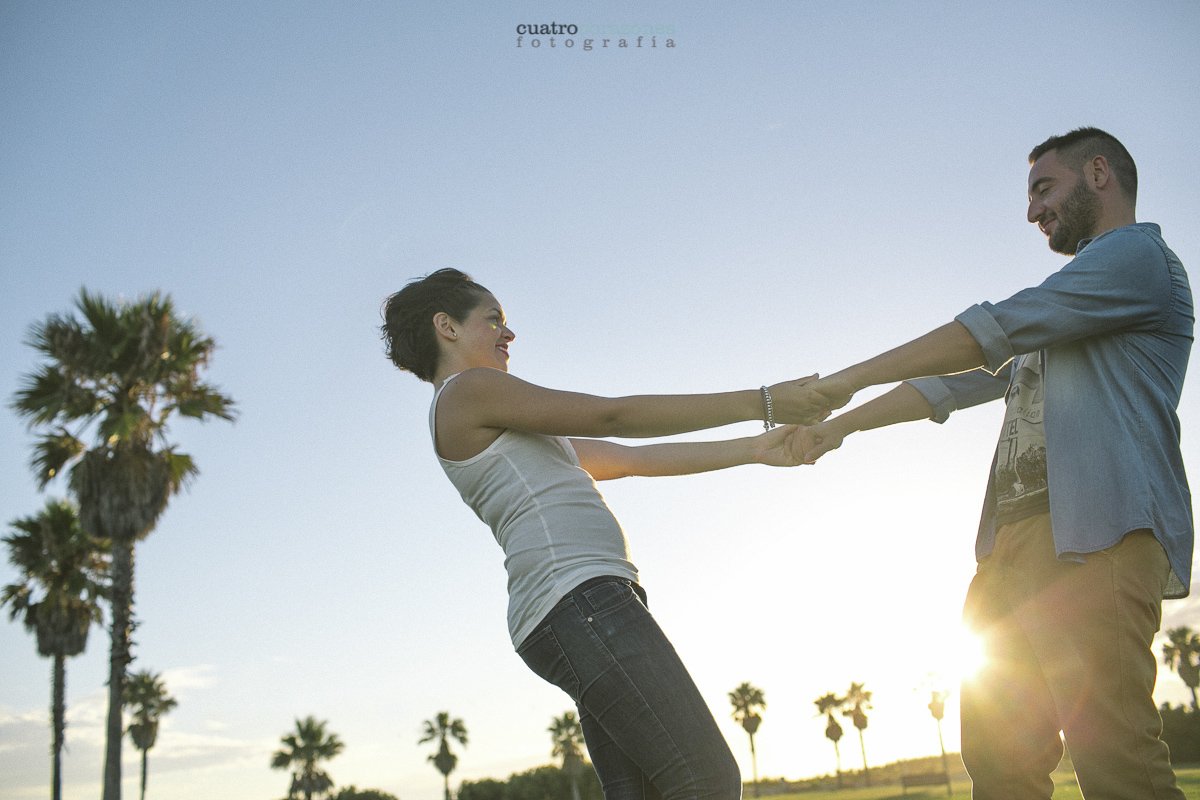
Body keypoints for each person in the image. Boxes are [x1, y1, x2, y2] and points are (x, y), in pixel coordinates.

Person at [796, 127, 1192, 799]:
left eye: (1044, 188)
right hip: (1009, 549)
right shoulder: (1069, 305)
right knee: (1000, 765)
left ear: (1099, 173)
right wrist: (838, 426)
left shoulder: (1137, 258)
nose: (1032, 211)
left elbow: (990, 329)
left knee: (1117, 763)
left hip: (1096, 539)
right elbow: (952, 382)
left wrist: (848, 378)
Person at [380, 268, 828, 800]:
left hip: (577, 608)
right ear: (447, 327)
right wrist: (764, 402)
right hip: (579, 602)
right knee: (705, 777)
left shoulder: (509, 426)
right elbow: (612, 415)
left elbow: (630, 459)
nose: (509, 332)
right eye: (493, 319)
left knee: (646, 791)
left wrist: (754, 448)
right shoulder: (468, 391)